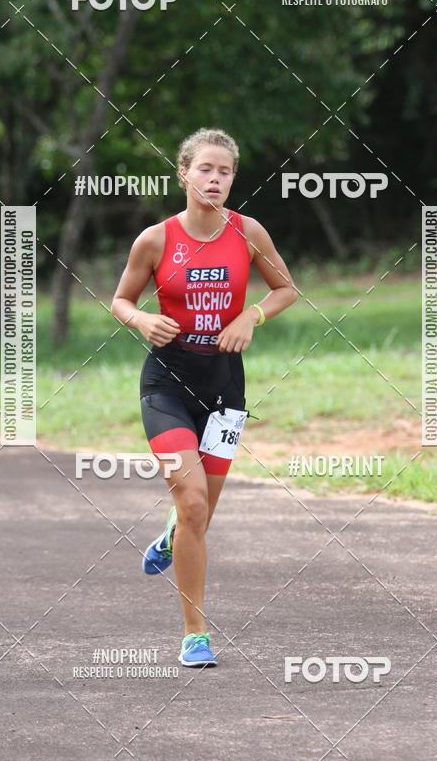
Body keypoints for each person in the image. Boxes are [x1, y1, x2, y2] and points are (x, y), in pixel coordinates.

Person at [110, 127, 298, 667]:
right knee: (191, 501)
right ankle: (195, 633)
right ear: (184, 174)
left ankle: (173, 537)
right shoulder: (155, 239)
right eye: (206, 170)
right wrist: (143, 318)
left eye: (225, 172)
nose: (215, 179)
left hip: (225, 387)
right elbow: (122, 300)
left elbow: (285, 288)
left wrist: (250, 315)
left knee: (199, 515)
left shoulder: (249, 232)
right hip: (166, 384)